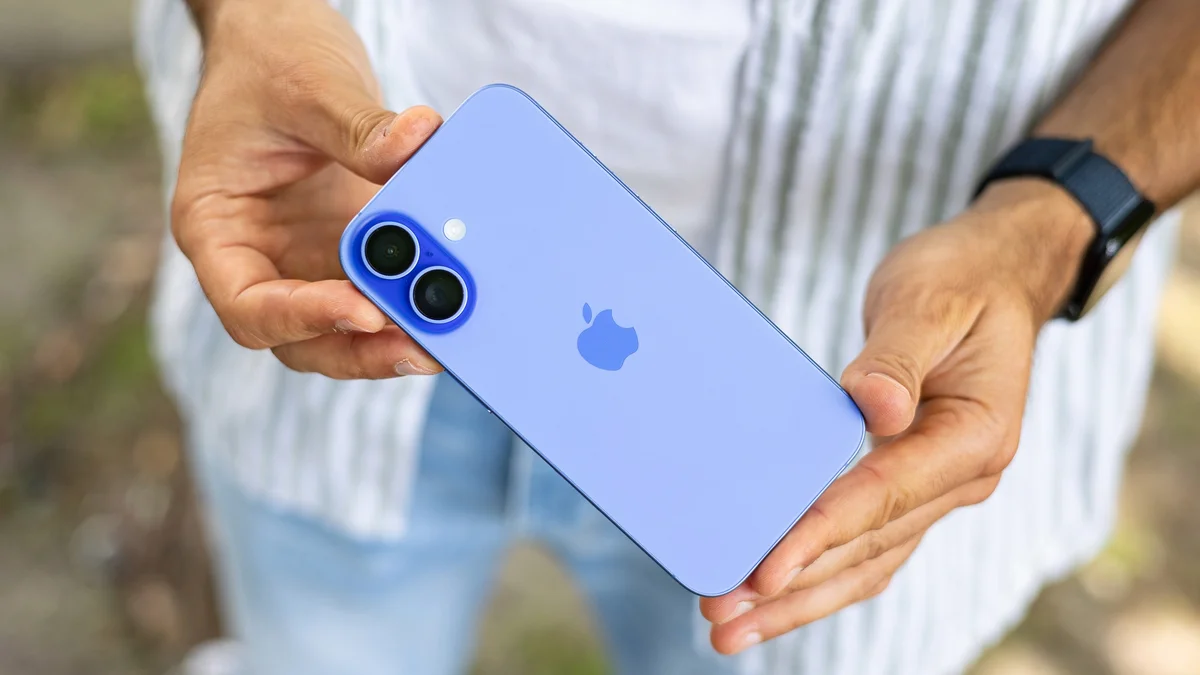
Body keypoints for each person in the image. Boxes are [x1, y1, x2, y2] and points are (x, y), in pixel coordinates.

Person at [135, 0, 1200, 673]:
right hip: (338, 236)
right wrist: (248, 15)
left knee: (769, 614)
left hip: (829, 370)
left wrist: (1044, 226)